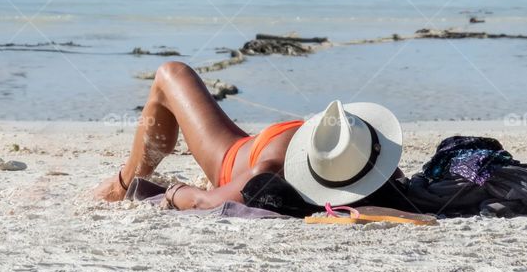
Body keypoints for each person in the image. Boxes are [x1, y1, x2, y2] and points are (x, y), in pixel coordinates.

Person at [94, 61, 403, 211]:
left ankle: (123, 182)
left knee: (171, 74)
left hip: (229, 157)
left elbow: (202, 200)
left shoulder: (266, 171)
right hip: (260, 147)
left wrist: (171, 191)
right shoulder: (367, 164)